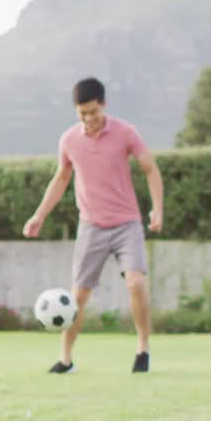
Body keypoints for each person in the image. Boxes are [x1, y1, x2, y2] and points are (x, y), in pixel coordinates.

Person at [24, 78, 163, 374]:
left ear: (104, 105)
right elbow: (61, 178)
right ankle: (66, 360)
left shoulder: (126, 133)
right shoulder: (69, 140)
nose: (88, 119)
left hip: (127, 224)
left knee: (136, 283)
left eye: (93, 112)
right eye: (82, 113)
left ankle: (143, 349)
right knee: (77, 297)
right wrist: (39, 215)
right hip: (91, 227)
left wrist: (157, 209)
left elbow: (150, 169)